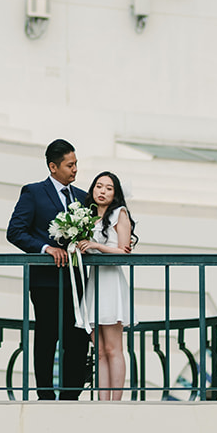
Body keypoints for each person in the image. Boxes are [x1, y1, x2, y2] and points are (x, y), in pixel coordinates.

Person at [5, 138, 91, 400]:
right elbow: (15, 232)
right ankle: (44, 395)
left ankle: (70, 396)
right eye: (70, 165)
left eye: (76, 164)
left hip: (77, 282)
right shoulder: (33, 192)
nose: (75, 169)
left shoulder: (83, 197)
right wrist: (45, 249)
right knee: (46, 338)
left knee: (77, 339)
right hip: (46, 282)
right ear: (53, 167)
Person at [76, 170, 137, 400]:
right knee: (99, 351)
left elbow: (123, 252)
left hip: (111, 282)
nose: (102, 191)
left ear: (115, 193)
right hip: (94, 282)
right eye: (99, 186)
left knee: (113, 348)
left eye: (109, 188)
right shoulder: (86, 216)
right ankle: (103, 400)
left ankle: (116, 400)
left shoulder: (119, 214)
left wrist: (98, 246)